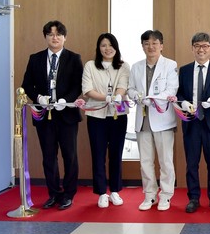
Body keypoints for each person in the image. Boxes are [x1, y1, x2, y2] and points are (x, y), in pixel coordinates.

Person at [21, 20, 83, 210]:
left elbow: (78, 85)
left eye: (58, 34)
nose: (54, 38)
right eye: (50, 34)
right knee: (48, 156)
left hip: (67, 115)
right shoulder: (36, 58)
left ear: (65, 37)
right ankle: (54, 193)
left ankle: (68, 194)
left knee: (69, 155)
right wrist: (38, 97)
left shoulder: (74, 58)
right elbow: (26, 85)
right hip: (44, 115)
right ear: (46, 37)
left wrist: (66, 100)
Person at [177, 32, 210, 213]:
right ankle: (193, 198)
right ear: (192, 48)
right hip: (191, 122)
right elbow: (179, 93)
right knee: (192, 163)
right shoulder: (183, 70)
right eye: (197, 46)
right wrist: (182, 102)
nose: (201, 49)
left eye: (205, 46)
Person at [127, 30, 178, 211]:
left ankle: (165, 195)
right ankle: (149, 195)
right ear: (142, 46)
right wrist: (137, 96)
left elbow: (172, 89)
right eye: (147, 43)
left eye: (155, 43)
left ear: (161, 45)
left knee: (165, 161)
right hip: (143, 119)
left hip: (162, 119)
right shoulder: (136, 66)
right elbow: (130, 89)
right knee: (145, 161)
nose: (151, 47)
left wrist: (153, 98)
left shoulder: (170, 65)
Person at [80, 33, 130, 208]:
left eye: (110, 45)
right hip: (96, 116)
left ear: (116, 48)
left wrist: (117, 96)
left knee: (116, 154)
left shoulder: (123, 66)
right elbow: (87, 89)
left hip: (118, 115)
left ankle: (115, 190)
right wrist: (105, 98)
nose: (107, 48)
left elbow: (123, 85)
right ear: (98, 48)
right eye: (103, 45)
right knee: (98, 154)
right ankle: (102, 192)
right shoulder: (90, 66)